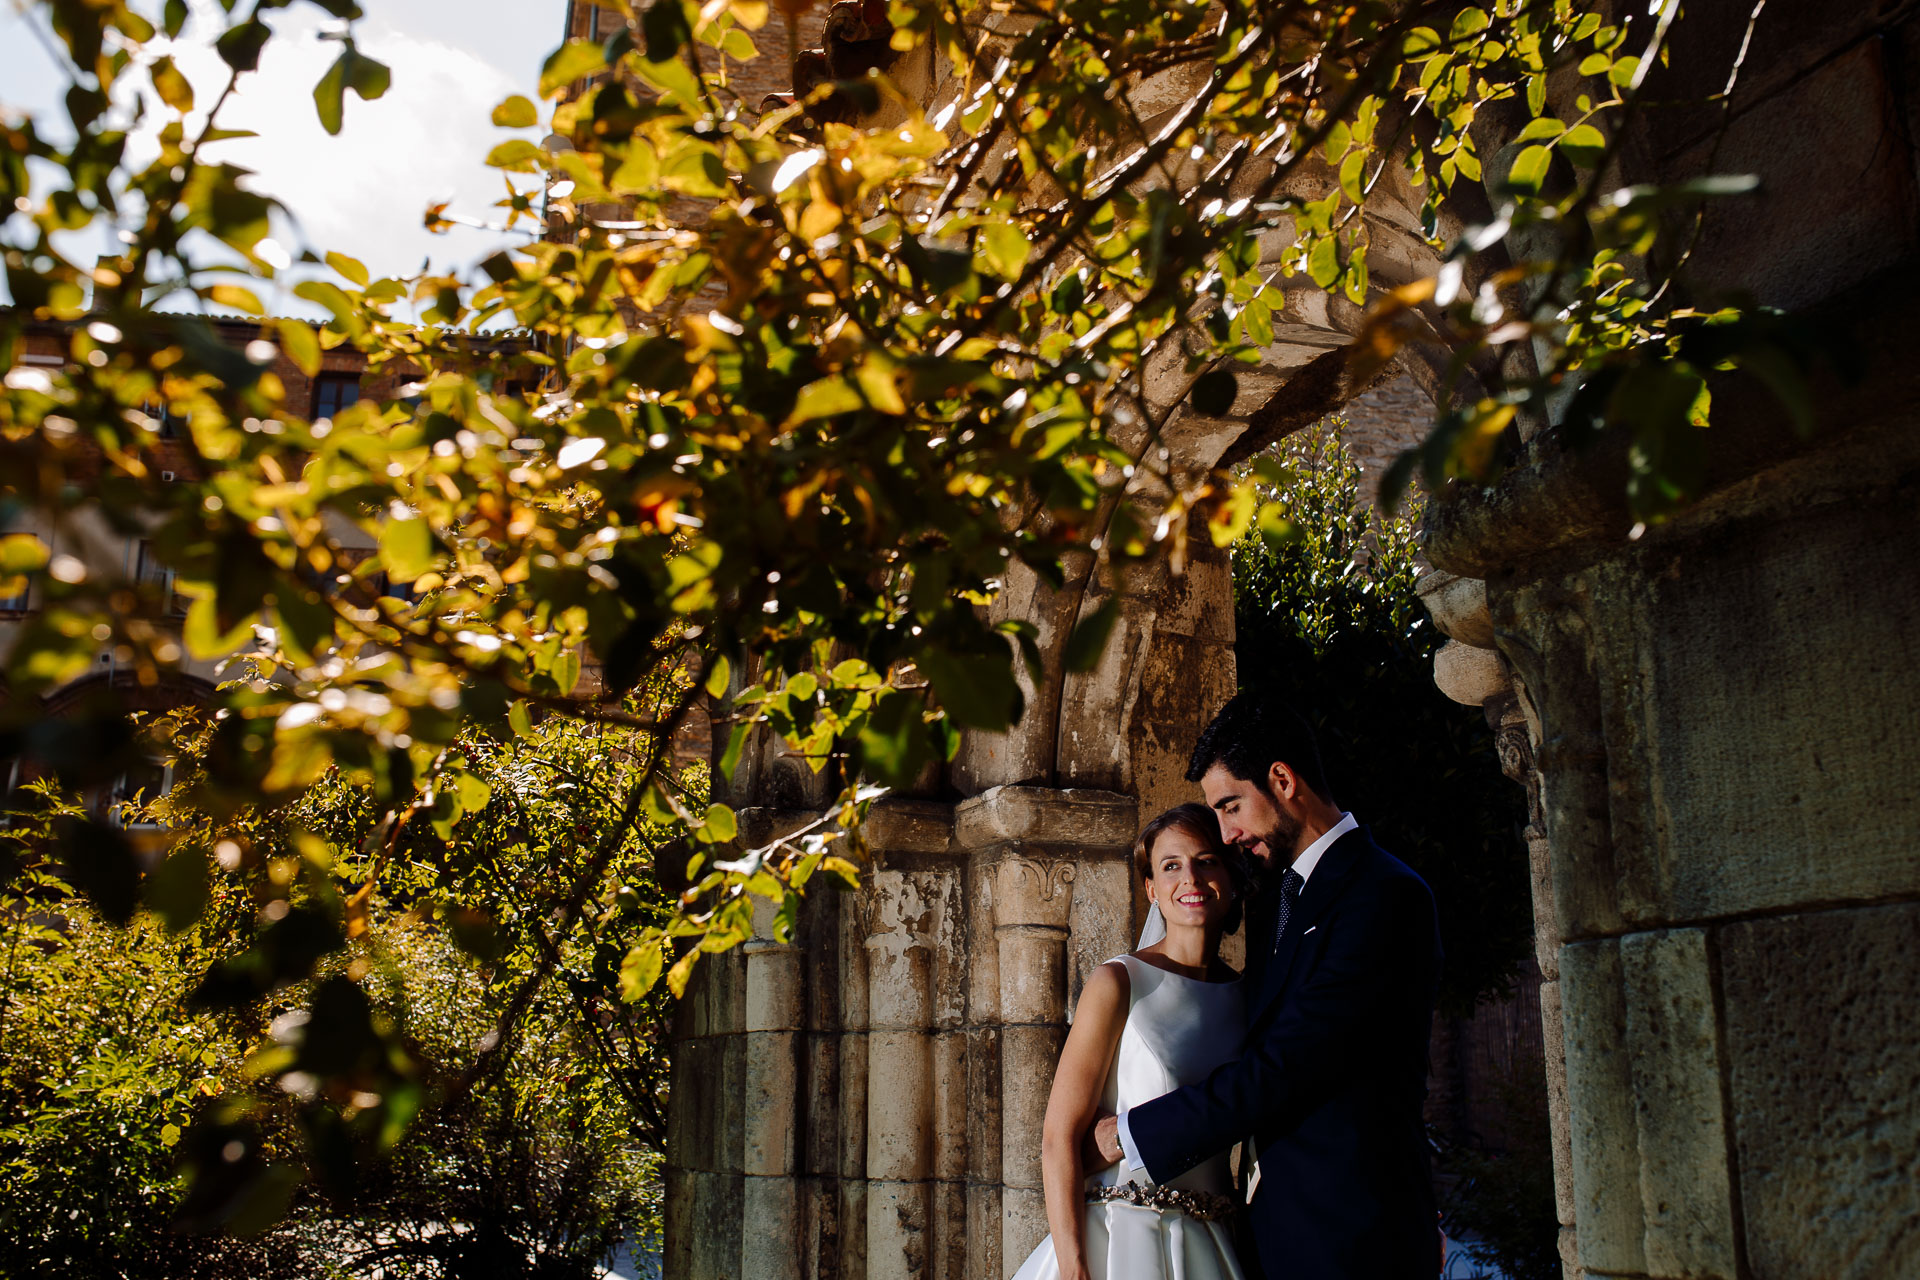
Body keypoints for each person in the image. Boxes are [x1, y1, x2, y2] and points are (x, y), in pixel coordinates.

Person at [1093, 691, 1445, 1279]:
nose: (1225, 834)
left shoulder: (1383, 895)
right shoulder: (1282, 898)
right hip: (1273, 1236)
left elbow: (1288, 1065)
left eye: (1231, 806)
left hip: (1354, 1241)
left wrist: (1128, 1135)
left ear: (1282, 779)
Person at [1010, 803, 1251, 1280]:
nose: (1192, 879)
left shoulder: (1250, 998)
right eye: (1171, 866)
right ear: (1151, 890)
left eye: (1207, 861)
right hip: (1117, 1240)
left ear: (1231, 877)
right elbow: (1058, 1139)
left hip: (1213, 1246)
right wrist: (1074, 1266)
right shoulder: (1119, 982)